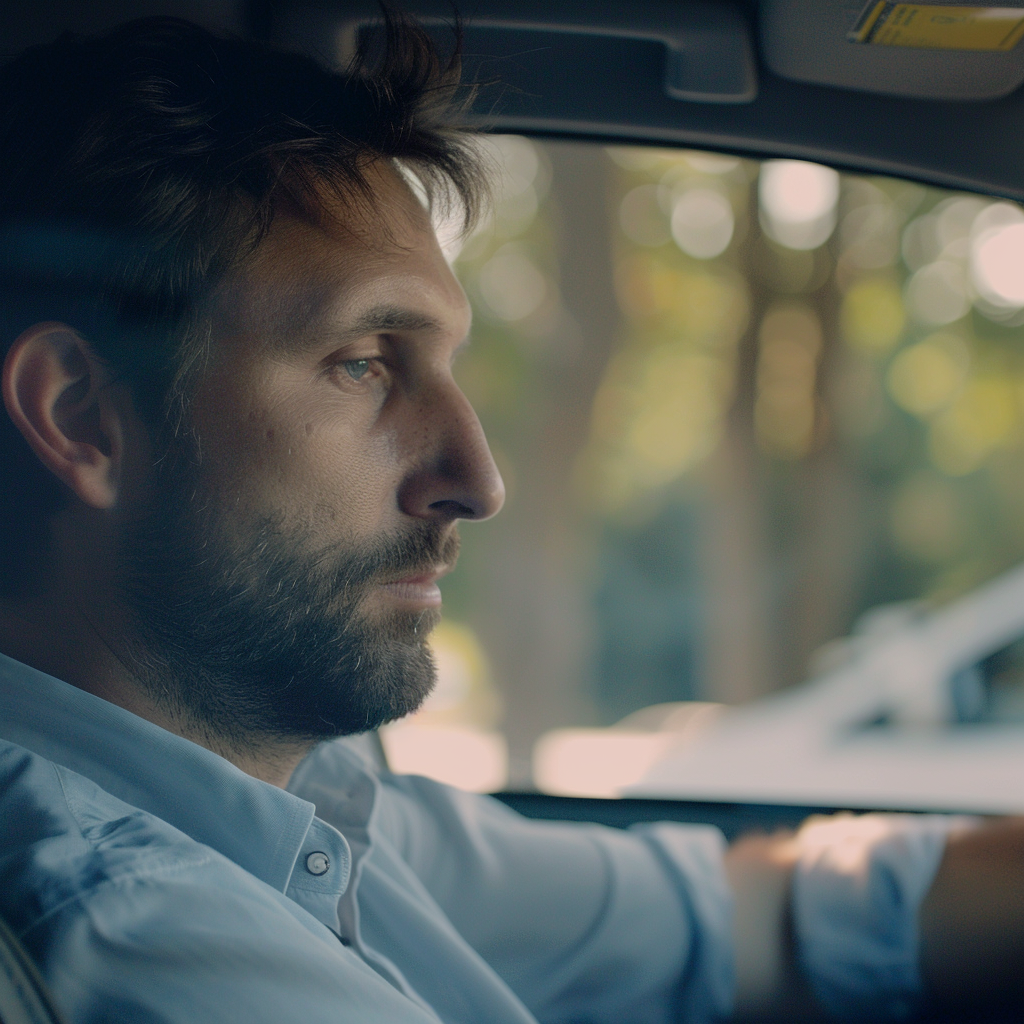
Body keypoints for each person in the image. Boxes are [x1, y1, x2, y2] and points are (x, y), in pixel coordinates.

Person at [0, 11, 1020, 1023]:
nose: (477, 480)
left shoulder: (297, 806)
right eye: (364, 362)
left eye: (445, 364)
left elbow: (748, 918)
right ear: (82, 414)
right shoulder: (136, 939)